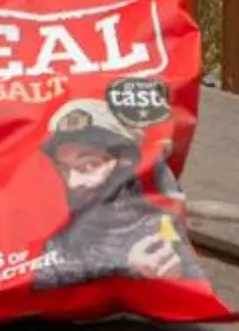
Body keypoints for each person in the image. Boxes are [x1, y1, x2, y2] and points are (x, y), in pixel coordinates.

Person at [29, 97, 198, 289]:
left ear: (125, 162)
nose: (73, 182)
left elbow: (193, 281)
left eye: (89, 165)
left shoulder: (157, 224)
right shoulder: (60, 231)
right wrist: (125, 268)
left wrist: (174, 271)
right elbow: (39, 283)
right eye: (65, 169)